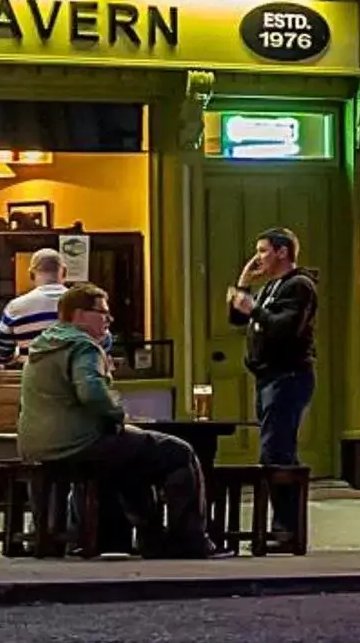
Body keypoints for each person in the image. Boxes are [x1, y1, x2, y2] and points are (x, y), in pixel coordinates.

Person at [18, 286, 209, 557]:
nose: (109, 319)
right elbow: (91, 392)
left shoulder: (44, 345)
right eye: (102, 313)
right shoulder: (82, 346)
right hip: (78, 444)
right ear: (80, 315)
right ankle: (187, 541)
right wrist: (119, 414)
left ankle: (136, 540)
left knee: (133, 460)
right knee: (179, 453)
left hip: (37, 445)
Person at [228, 228, 317, 535]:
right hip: (266, 377)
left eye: (263, 251)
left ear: (282, 252)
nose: (258, 258)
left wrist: (254, 308)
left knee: (276, 451)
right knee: (275, 449)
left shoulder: (299, 285)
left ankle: (285, 528)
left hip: (288, 376)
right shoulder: (269, 287)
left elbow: (286, 328)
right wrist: (244, 283)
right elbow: (237, 319)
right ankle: (282, 525)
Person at [0, 249, 67, 364]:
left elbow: (1, 354)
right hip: (77, 380)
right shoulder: (85, 304)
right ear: (64, 272)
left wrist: (19, 354)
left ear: (31, 274)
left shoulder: (15, 307)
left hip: (33, 378)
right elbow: (103, 349)